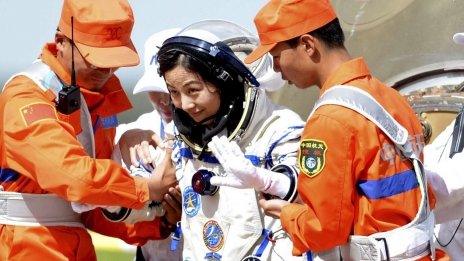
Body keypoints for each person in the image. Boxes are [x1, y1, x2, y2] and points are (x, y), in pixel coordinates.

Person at [210, 0, 446, 259]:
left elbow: (325, 228)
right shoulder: (389, 97)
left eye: (276, 56)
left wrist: (287, 214)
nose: (276, 68)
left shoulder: (330, 120)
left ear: (308, 45)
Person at [0, 0, 179, 260]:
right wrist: (145, 189)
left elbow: (94, 205)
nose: (106, 69)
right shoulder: (27, 96)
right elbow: (75, 177)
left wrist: (160, 220)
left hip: (74, 246)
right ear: (61, 42)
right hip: (25, 246)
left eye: (113, 59)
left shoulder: (97, 98)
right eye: (95, 58)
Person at [154, 20, 306, 260]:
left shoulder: (279, 129)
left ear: (225, 84)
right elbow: (145, 201)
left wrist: (266, 180)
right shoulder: (183, 143)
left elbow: (305, 188)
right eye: (174, 92)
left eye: (193, 90)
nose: (184, 104)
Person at [113, 28, 183, 261]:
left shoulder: (226, 135)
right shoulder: (131, 131)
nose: (163, 99)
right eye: (155, 89)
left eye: (171, 90)